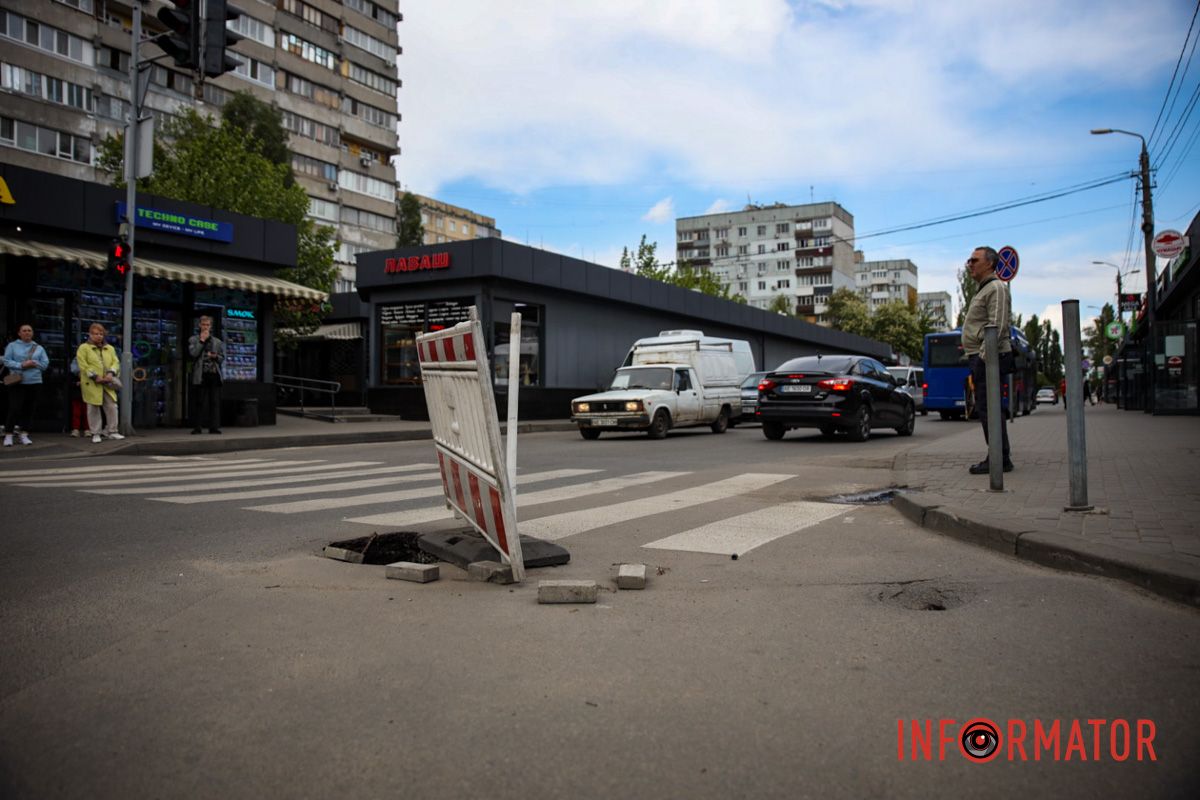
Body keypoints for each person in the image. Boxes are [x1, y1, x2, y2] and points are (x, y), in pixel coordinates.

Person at [961, 246, 1014, 474]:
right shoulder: (983, 290)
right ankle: (999, 457)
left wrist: (982, 359)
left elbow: (998, 326)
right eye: (969, 261)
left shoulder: (996, 288)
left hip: (990, 358)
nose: (969, 264)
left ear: (990, 263)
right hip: (981, 357)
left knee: (989, 409)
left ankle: (999, 459)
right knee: (986, 408)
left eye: (974, 260)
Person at [77, 323, 125, 444]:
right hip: (92, 382)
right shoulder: (84, 348)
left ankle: (112, 431)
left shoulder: (110, 348)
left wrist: (111, 373)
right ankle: (95, 433)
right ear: (90, 334)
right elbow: (83, 365)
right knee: (93, 407)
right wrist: (94, 376)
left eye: (101, 334)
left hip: (107, 381)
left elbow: (116, 362)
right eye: (96, 334)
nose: (98, 336)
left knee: (112, 406)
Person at [3, 323, 49, 447]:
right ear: (19, 333)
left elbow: (45, 364)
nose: (27, 332)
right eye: (24, 330)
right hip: (17, 381)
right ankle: (8, 434)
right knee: (14, 408)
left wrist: (34, 363)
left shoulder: (38, 347)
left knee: (29, 409)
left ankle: (24, 434)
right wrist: (21, 365)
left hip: (34, 382)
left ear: (32, 333)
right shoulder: (12, 346)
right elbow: (6, 361)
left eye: (29, 330)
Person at [188, 315, 225, 434]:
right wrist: (201, 341)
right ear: (199, 325)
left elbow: (222, 358)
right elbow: (193, 353)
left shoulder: (217, 341)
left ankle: (213, 427)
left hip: (213, 374)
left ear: (211, 326)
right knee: (199, 401)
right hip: (201, 374)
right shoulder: (193, 339)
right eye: (203, 325)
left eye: (207, 325)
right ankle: (197, 427)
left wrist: (215, 356)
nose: (205, 327)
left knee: (214, 401)